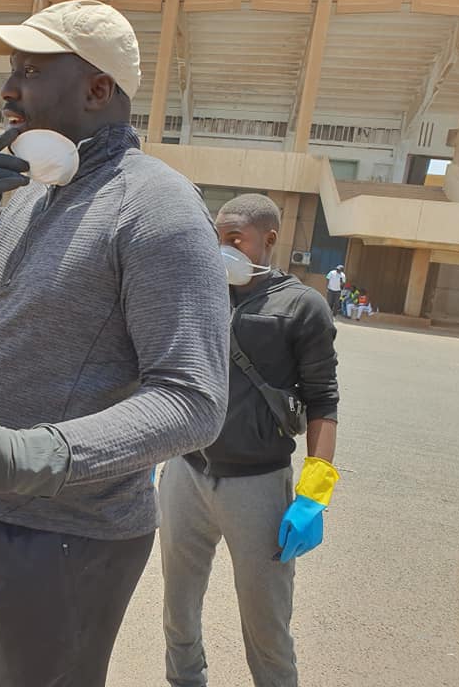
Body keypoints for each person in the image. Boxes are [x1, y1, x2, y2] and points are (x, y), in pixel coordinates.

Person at [0, 0, 230, 687]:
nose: (8, 90)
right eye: (12, 71)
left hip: (67, 539)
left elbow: (193, 400)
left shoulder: (158, 207)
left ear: (97, 89)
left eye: (29, 71)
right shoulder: (28, 196)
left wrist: (24, 453)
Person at [160, 194, 340, 687]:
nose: (224, 247)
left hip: (258, 485)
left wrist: (314, 494)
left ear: (269, 239)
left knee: (266, 622)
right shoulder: (202, 292)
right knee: (178, 607)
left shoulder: (302, 306)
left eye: (235, 238)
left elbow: (323, 399)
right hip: (186, 473)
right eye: (218, 237)